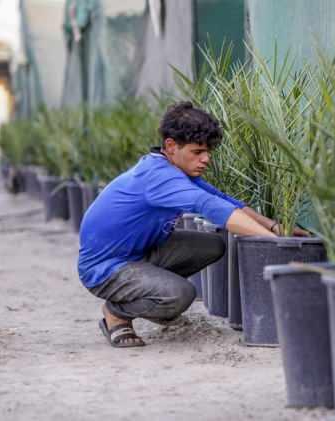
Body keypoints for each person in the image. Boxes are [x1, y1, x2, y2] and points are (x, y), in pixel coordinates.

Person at [78, 101, 307, 348]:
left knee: (211, 245)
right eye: (198, 152)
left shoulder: (174, 170)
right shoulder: (158, 177)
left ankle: (148, 287)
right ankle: (117, 312)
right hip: (106, 268)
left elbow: (224, 201)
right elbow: (209, 206)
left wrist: (274, 227)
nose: (206, 159)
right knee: (180, 294)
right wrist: (276, 243)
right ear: (170, 146)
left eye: (208, 151)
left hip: (139, 253)